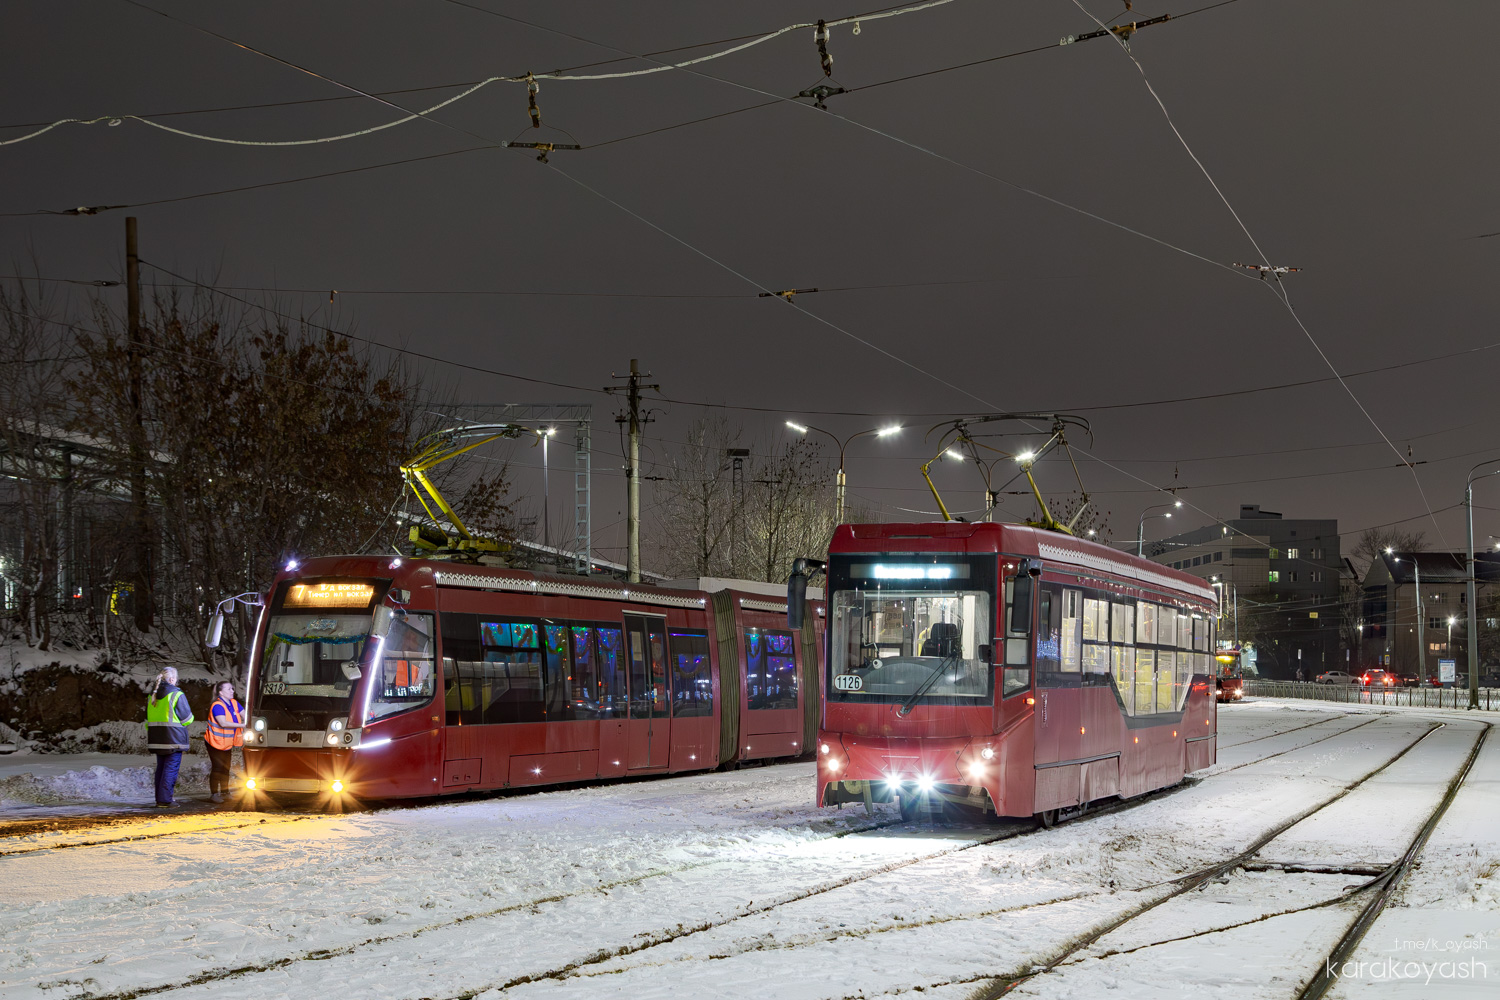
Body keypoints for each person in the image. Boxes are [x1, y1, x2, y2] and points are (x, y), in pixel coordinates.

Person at [144, 666, 194, 807]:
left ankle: (160, 799)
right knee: (170, 769)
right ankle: (165, 800)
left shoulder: (151, 695)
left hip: (156, 739)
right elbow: (187, 719)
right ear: (172, 679)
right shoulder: (176, 694)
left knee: (161, 769)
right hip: (173, 739)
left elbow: (148, 719)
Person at [205, 680, 244, 804]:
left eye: (232, 688)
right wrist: (243, 725)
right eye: (229, 689)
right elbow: (223, 723)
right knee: (217, 768)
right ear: (220, 692)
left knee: (225, 768)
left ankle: (225, 792)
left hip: (226, 742)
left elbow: (246, 715)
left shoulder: (234, 703)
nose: (232, 691)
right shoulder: (217, 706)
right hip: (215, 742)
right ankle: (214, 794)